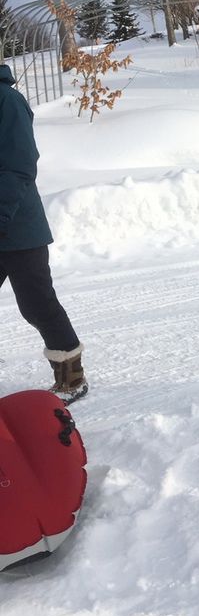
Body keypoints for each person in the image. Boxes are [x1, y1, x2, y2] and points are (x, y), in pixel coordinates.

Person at [0, 63, 88, 404]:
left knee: (36, 304)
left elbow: (19, 164)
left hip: (19, 227)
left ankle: (72, 376)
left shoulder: (7, 100)